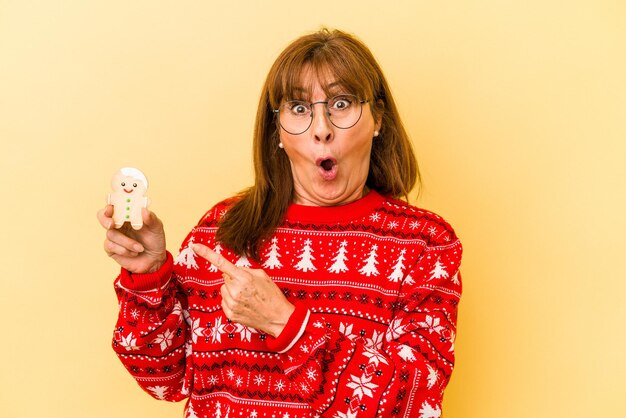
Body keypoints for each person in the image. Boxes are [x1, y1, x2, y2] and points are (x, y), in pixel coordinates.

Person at [97, 28, 463, 418]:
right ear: (277, 133)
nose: (321, 129)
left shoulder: (425, 245)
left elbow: (413, 404)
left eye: (341, 103)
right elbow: (164, 380)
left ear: (378, 120)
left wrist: (287, 326)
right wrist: (150, 276)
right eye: (300, 109)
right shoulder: (220, 232)